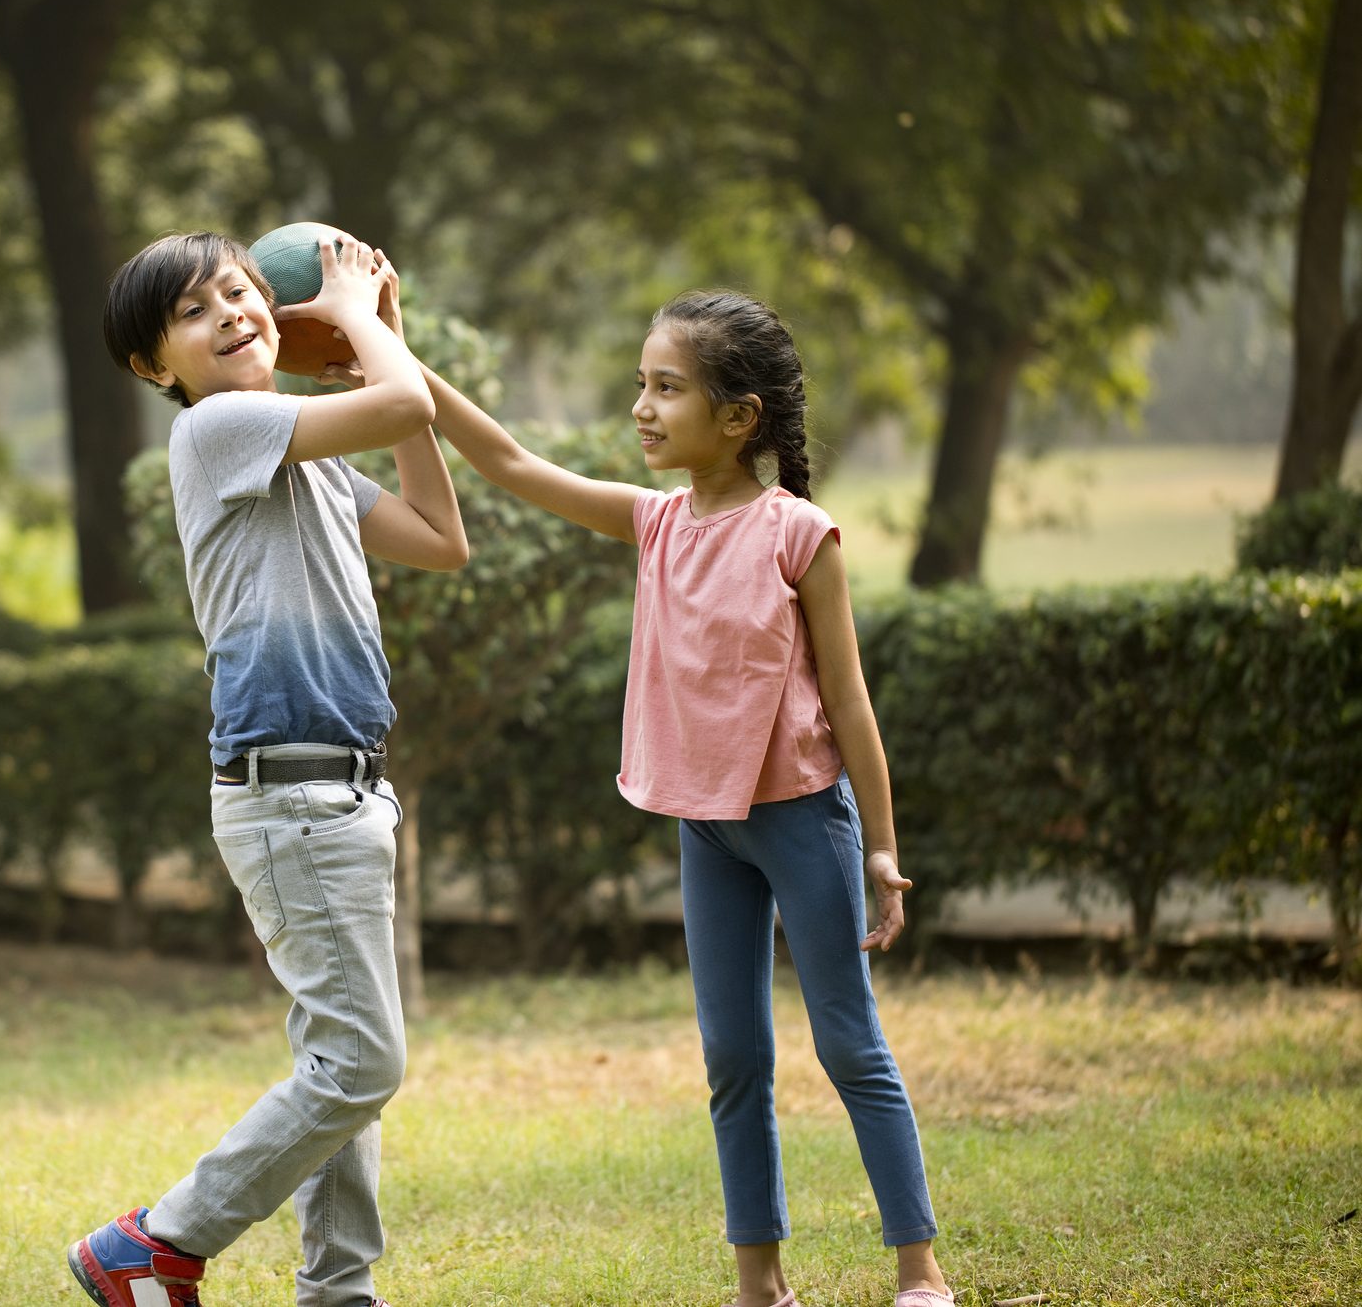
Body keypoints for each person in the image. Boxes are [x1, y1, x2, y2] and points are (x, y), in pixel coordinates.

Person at [363, 290, 951, 1307]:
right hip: (706, 829)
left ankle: (919, 1269)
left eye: (666, 388)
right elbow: (505, 461)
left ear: (739, 418)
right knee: (732, 1054)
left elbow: (851, 702)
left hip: (803, 819)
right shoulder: (655, 523)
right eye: (641, 384)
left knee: (848, 1042)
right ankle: (760, 1283)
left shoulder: (799, 536)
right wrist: (395, 356)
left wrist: (882, 849)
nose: (641, 406)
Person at [68, 229, 467, 1307]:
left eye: (239, 290)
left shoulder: (308, 456)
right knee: (362, 1064)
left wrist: (385, 340)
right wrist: (363, 325)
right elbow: (407, 408)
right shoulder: (219, 430)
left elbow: (440, 534)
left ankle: (339, 1290)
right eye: (194, 312)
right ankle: (152, 1240)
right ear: (159, 367)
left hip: (340, 787)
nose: (231, 312)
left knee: (339, 1066)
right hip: (290, 791)